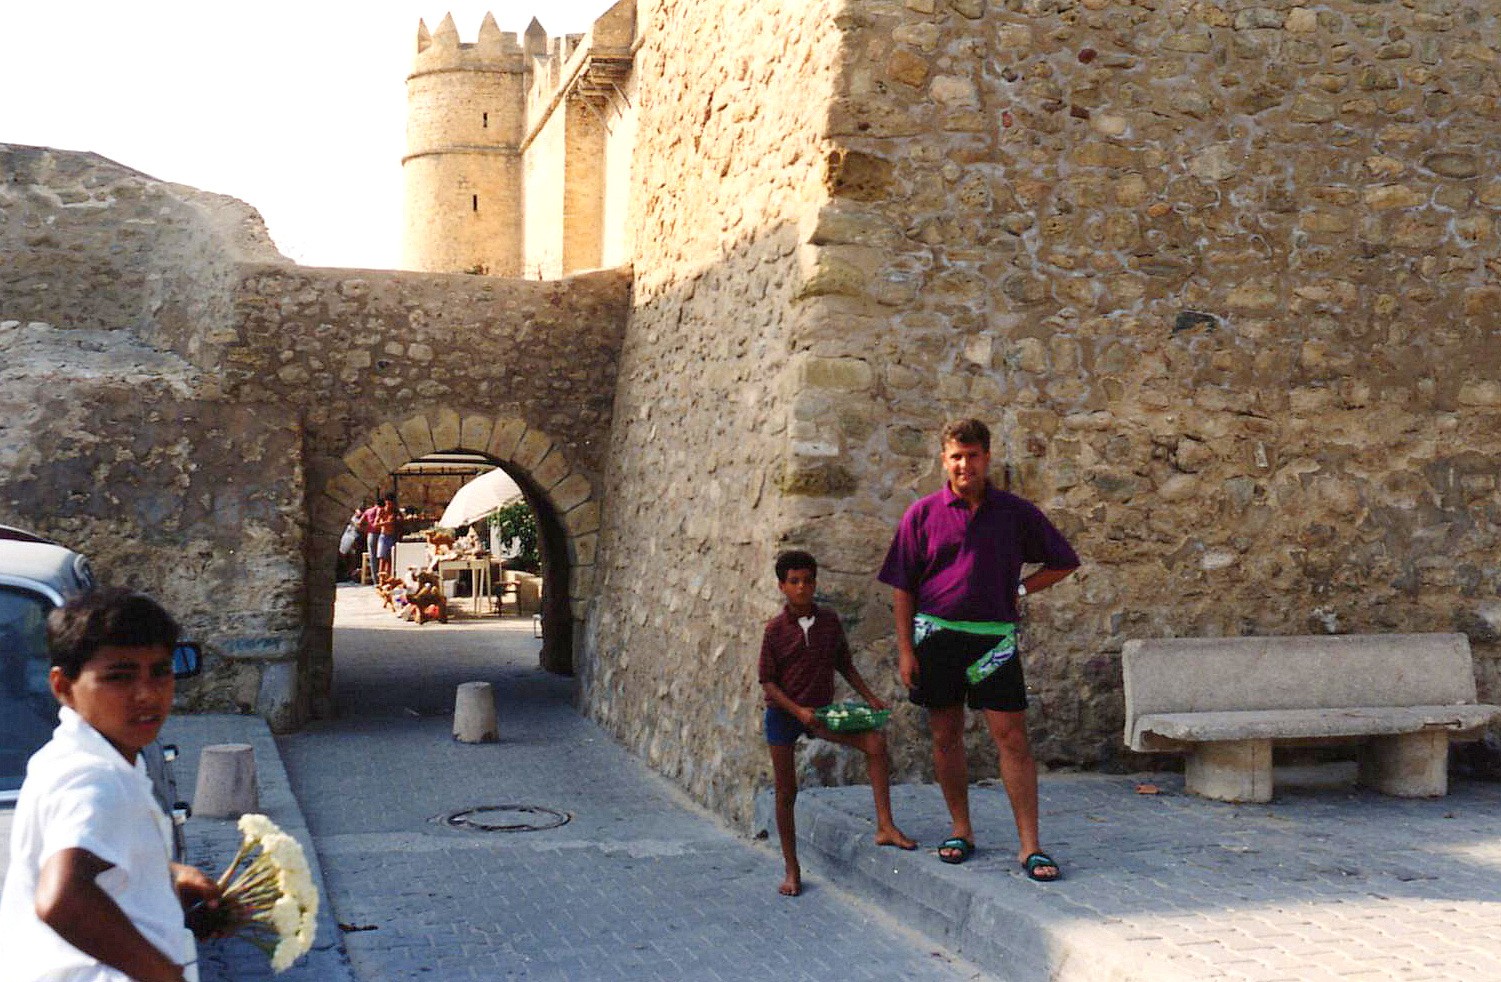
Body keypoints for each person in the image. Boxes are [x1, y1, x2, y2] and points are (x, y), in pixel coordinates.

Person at [877, 418, 1079, 881]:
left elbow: (1063, 561)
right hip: (936, 639)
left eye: (972, 456)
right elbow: (903, 587)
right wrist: (906, 650)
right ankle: (960, 830)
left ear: (986, 458)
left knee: (1013, 740)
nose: (964, 465)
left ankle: (1030, 846)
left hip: (994, 642)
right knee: (946, 738)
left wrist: (1021, 589)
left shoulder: (1015, 513)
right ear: (944, 460)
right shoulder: (922, 515)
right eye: (956, 456)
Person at [0, 588, 221, 981]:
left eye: (160, 671)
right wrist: (163, 975)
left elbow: (95, 858)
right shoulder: (92, 776)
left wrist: (164, 875)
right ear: (63, 687)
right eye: (119, 677)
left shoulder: (82, 756)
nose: (147, 694)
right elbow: (62, 898)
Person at [760, 549, 915, 898]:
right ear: (782, 586)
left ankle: (886, 826)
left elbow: (843, 663)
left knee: (874, 743)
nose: (802, 588)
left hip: (821, 714)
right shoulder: (774, 630)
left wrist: (870, 696)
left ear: (816, 583)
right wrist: (796, 710)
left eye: (808, 581)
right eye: (794, 582)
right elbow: (767, 682)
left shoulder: (829, 622)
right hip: (784, 714)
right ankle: (791, 868)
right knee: (786, 792)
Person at [374, 496, 399, 583]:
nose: (389, 506)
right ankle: (381, 580)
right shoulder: (381, 511)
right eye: (388, 504)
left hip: (392, 536)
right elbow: (375, 524)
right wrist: (386, 523)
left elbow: (398, 522)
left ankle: (388, 579)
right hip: (384, 536)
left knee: (390, 559)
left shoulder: (395, 512)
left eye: (391, 504)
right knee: (382, 558)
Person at [360, 498, 382, 584]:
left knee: (373, 557)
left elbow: (360, 523)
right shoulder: (383, 510)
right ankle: (383, 578)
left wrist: (367, 529)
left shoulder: (368, 511)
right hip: (382, 533)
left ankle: (375, 580)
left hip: (371, 534)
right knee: (383, 557)